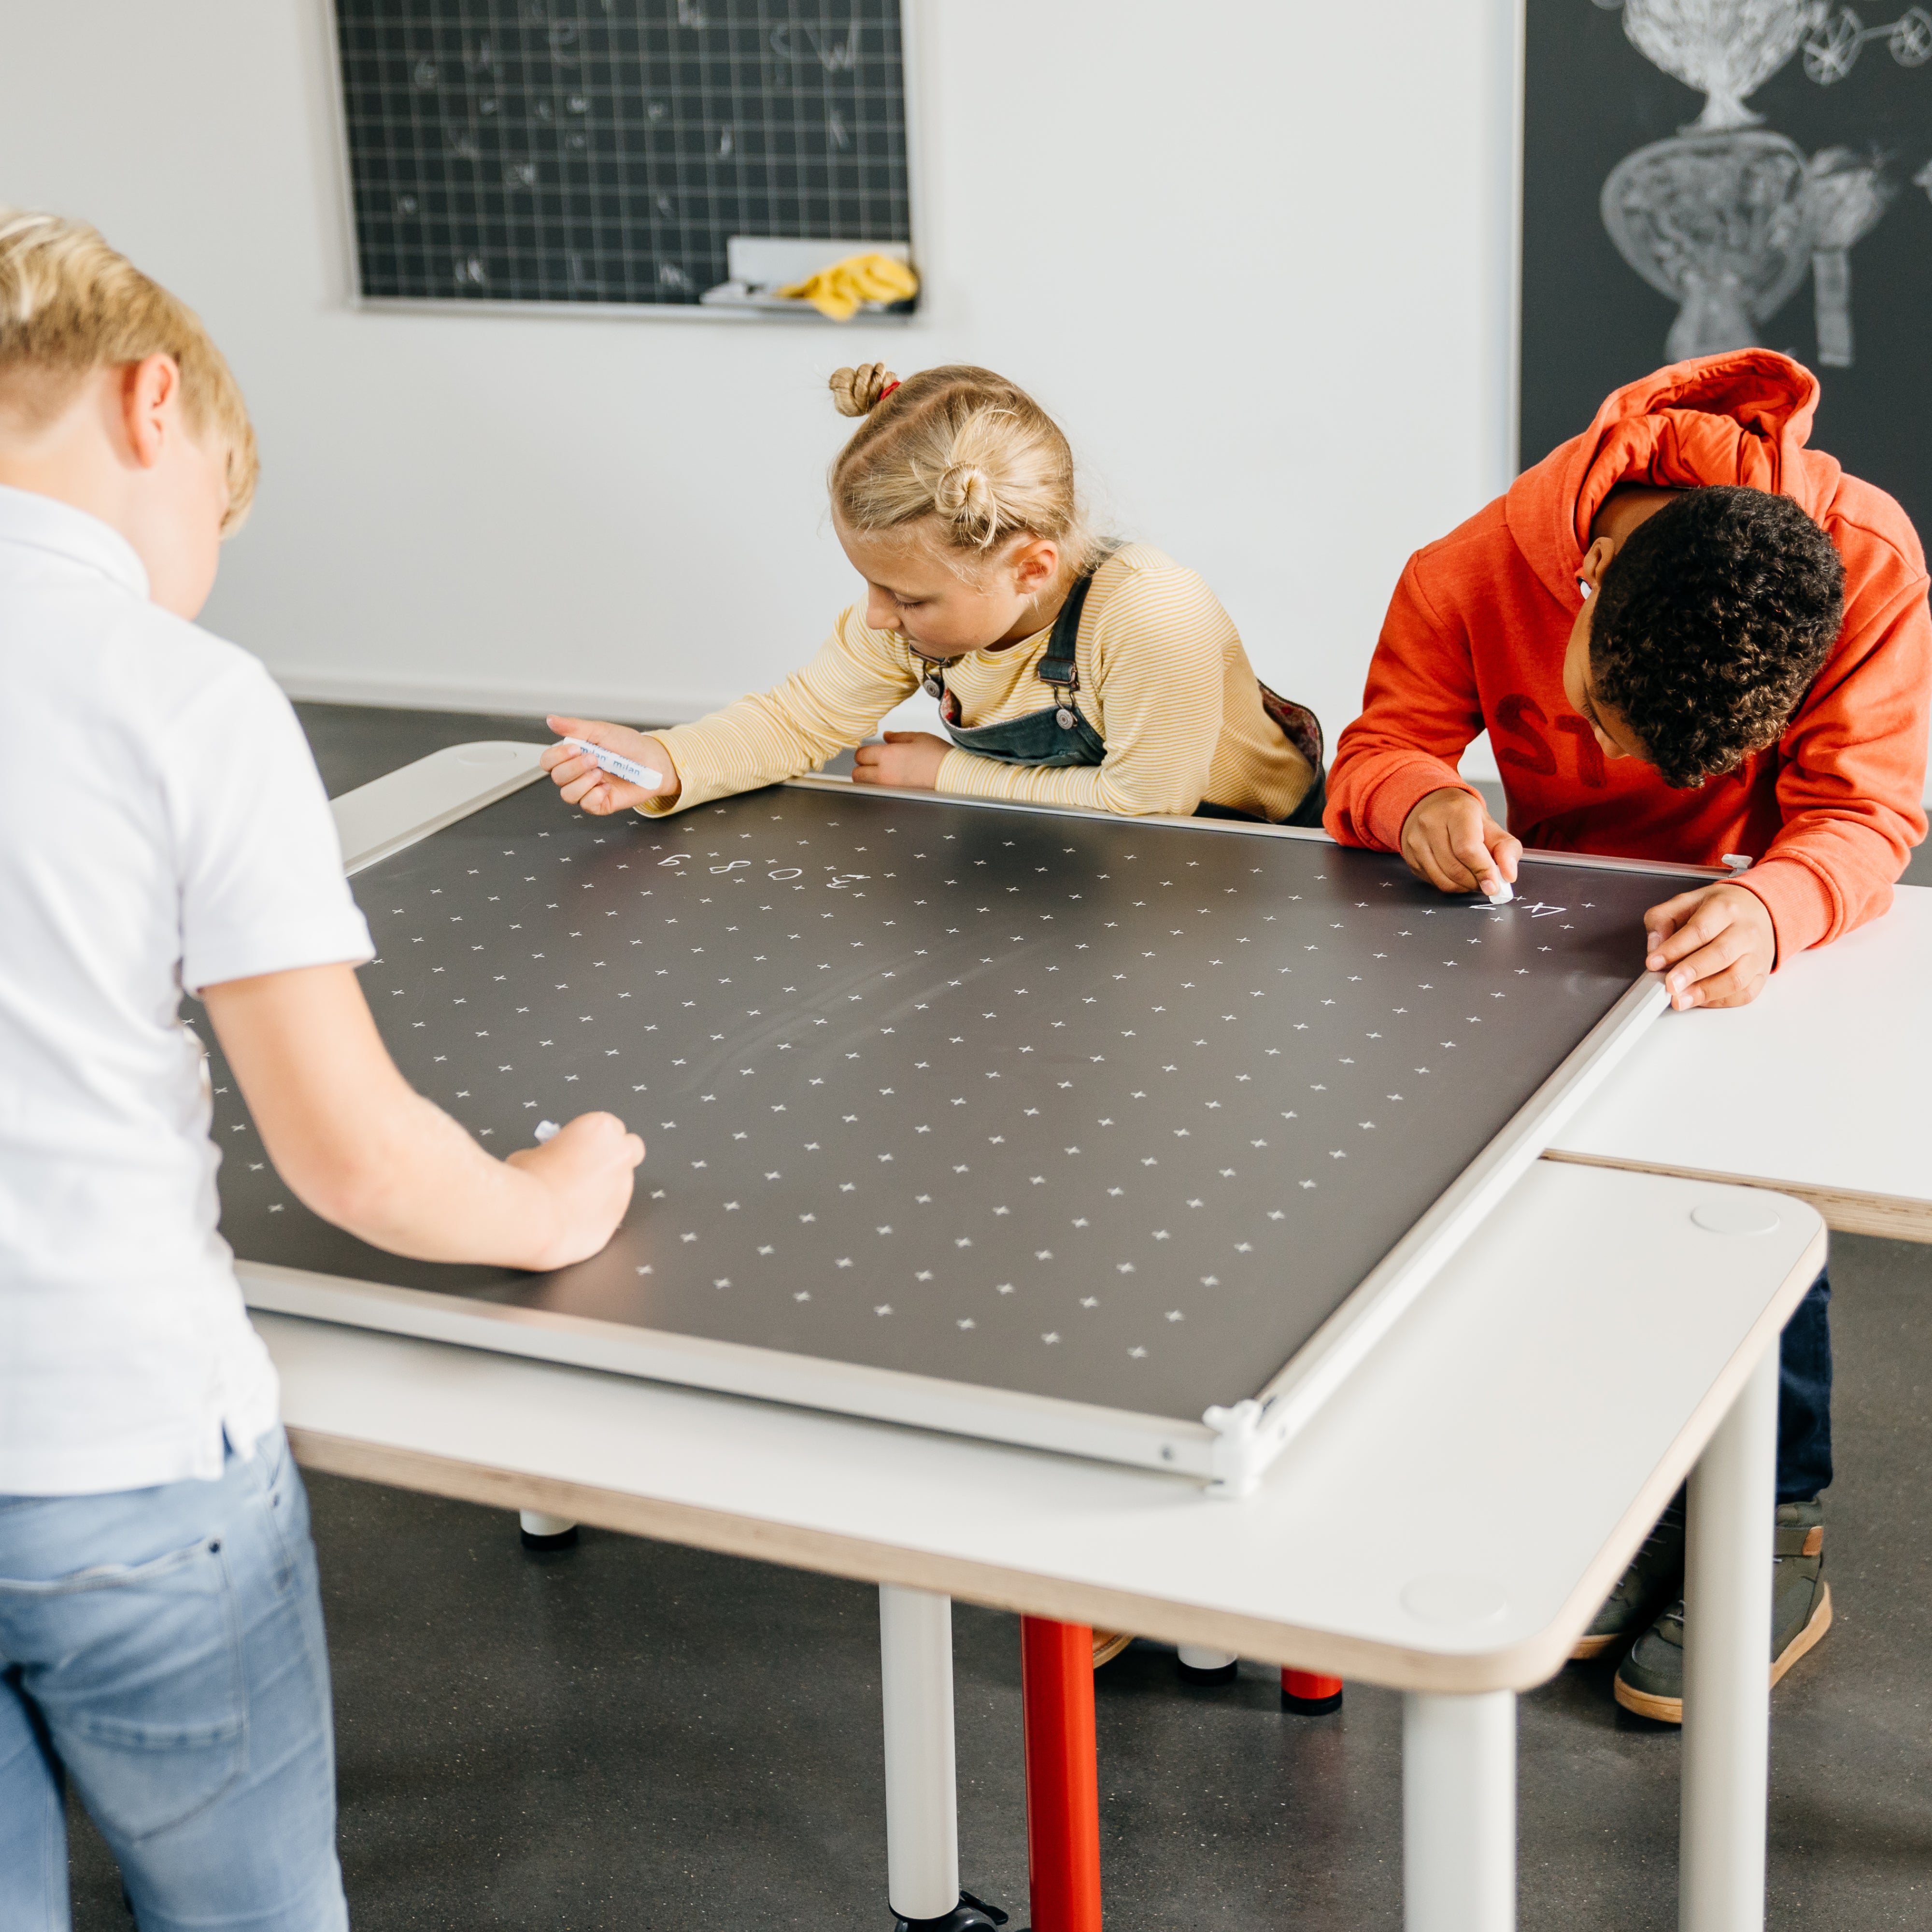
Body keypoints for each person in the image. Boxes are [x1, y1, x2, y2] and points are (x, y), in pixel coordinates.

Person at [0, 208, 643, 1929]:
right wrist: (550, 1192)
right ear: (153, 407)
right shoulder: (178, 691)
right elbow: (354, 1161)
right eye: (217, 501)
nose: (205, 552)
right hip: (111, 1453)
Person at [1325, 349, 1931, 1721]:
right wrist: (1418, 800)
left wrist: (1778, 903)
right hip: (1555, 930)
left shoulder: (1871, 559)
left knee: (1756, 1209)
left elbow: (1869, 813)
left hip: (1770, 935)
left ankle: (1778, 1528)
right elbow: (1376, 753)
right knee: (1585, 1216)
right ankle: (1655, 1505)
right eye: (1604, 722)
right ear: (1585, 587)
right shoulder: (1465, 571)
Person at [541, 360, 1324, 830]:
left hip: (1248, 863)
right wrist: (670, 761)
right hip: (1080, 851)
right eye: (872, 586)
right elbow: (796, 720)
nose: (880, 617)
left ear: (1029, 567)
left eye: (909, 600)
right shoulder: (913, 612)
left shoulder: (1153, 615)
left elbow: (1149, 809)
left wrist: (943, 773)